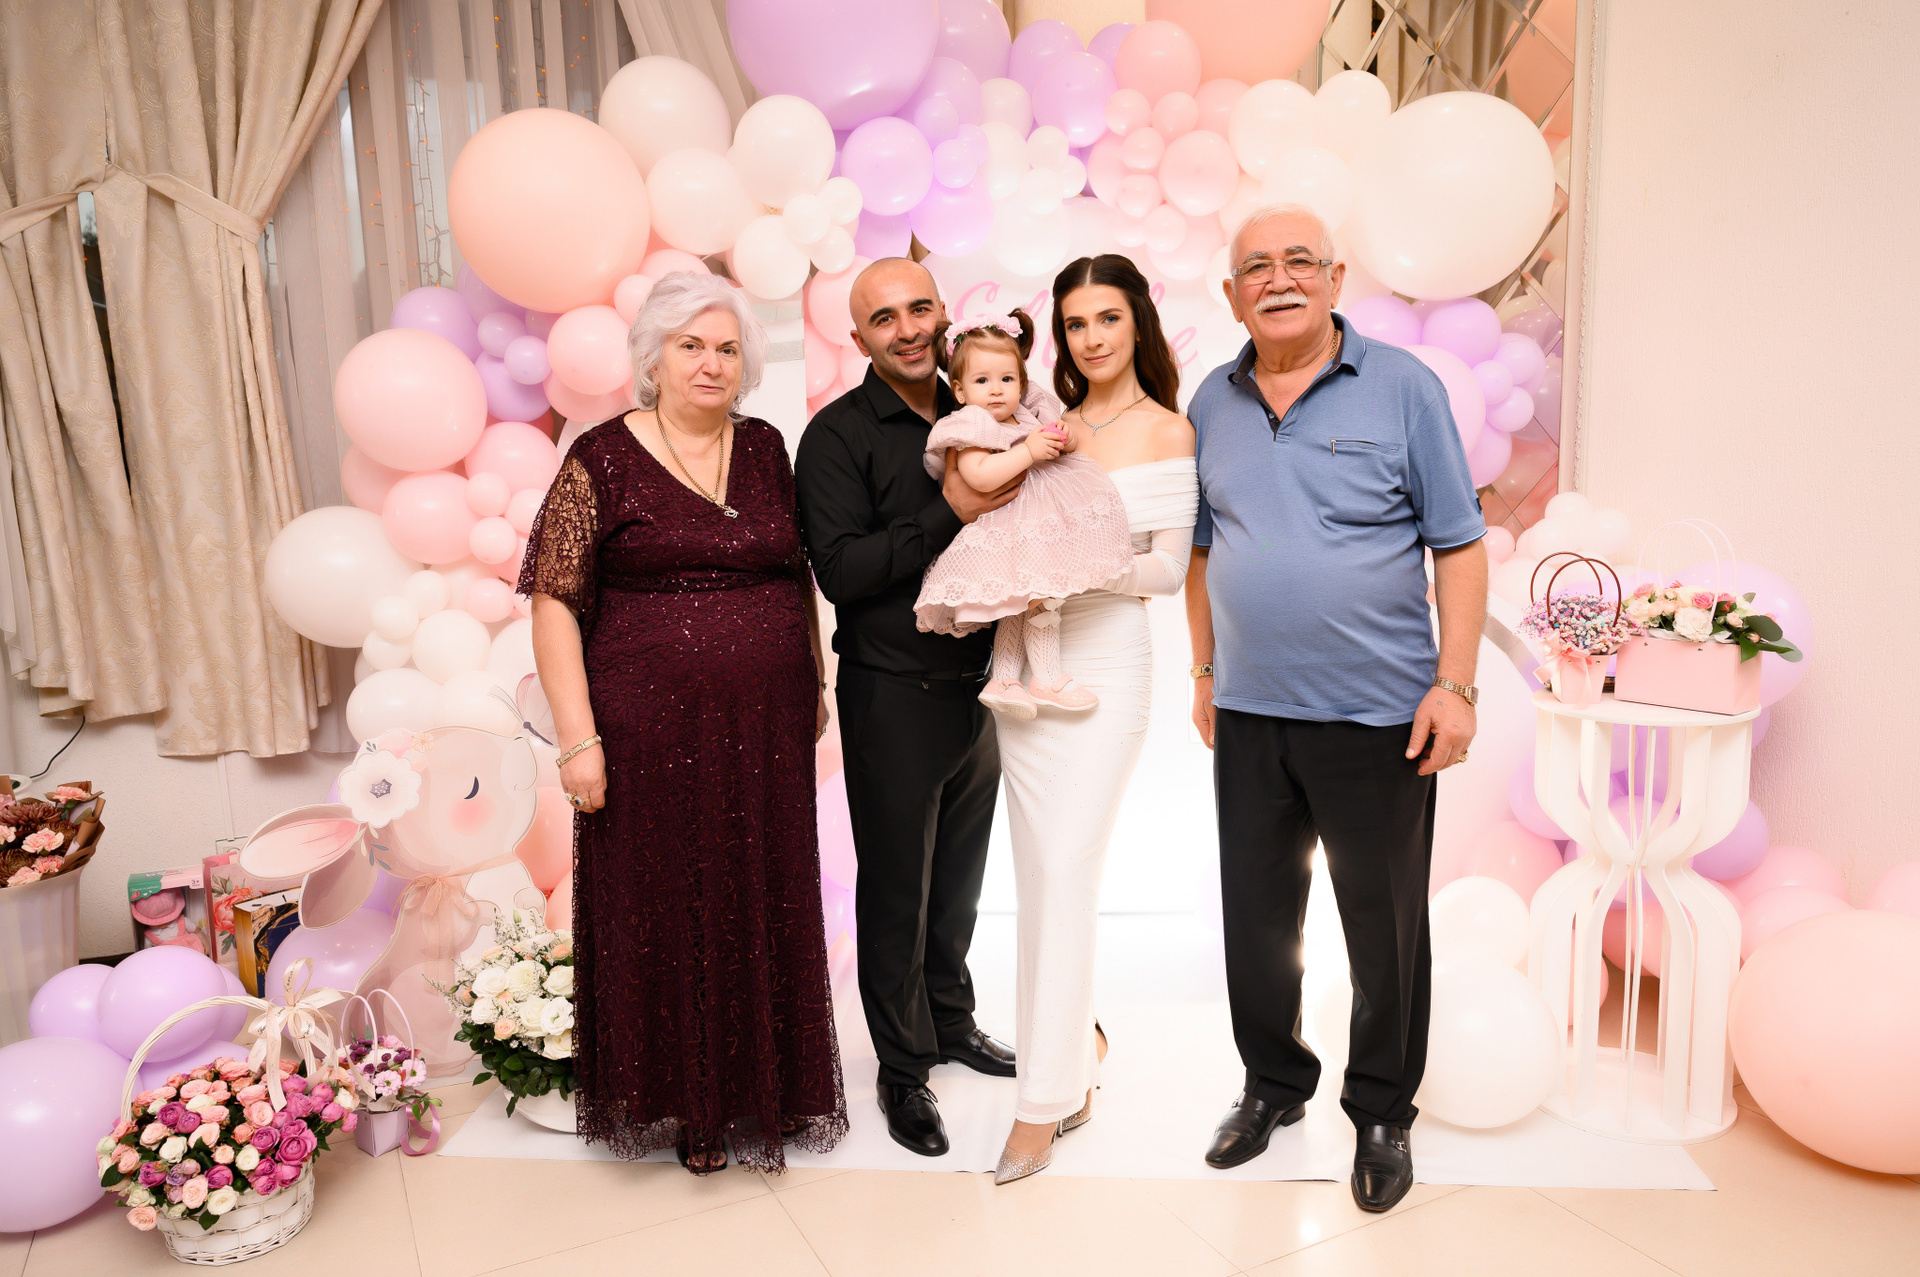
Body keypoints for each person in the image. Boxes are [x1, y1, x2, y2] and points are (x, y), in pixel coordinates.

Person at [1185, 205, 1488, 1212]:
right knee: (1257, 918)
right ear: (1231, 293)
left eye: (1299, 261)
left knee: (1383, 927)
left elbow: (1459, 542)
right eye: (1256, 267)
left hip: (1378, 716)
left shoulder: (1403, 387)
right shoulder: (1211, 401)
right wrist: (1204, 672)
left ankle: (1383, 1110)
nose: (1279, 279)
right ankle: (1273, 1084)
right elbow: (1202, 551)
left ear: (1335, 278)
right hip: (1251, 711)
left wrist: (1454, 684)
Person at [520, 271, 847, 1175]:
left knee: (765, 893)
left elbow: (794, 575)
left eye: (727, 348)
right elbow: (553, 602)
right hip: (643, 729)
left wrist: (813, 679)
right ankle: (686, 1103)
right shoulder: (600, 456)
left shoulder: (767, 446)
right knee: (665, 901)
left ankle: (769, 1088)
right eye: (691, 345)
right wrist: (578, 740)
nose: (711, 363)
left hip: (766, 721)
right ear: (653, 358)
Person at [793, 258, 1019, 1159]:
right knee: (896, 890)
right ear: (859, 338)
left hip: (984, 687)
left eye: (920, 307)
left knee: (959, 881)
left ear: (943, 313)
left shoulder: (983, 407)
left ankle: (951, 1022)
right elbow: (842, 571)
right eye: (884, 317)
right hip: (892, 692)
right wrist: (951, 507)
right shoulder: (837, 435)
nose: (909, 328)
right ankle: (901, 1066)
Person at [991, 254, 1198, 1184]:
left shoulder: (1170, 429)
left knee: (1068, 869)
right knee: (1038, 877)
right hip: (1029, 671)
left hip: (1109, 664)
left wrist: (1076, 566)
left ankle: (1040, 1104)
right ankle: (1072, 1061)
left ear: (1137, 322)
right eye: (1075, 323)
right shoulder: (1047, 427)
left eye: (1107, 318)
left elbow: (1166, 569)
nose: (1091, 338)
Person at [912, 309, 1135, 716]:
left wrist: (1061, 437)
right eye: (982, 381)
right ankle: (1046, 677)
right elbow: (978, 475)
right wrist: (1028, 451)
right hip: (1005, 529)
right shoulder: (972, 423)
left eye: (1007, 379)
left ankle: (1004, 679)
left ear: (1022, 381)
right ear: (959, 390)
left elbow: (1062, 442)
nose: (996, 391)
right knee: (1039, 601)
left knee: (1020, 601)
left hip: (1038, 525)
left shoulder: (1028, 411)